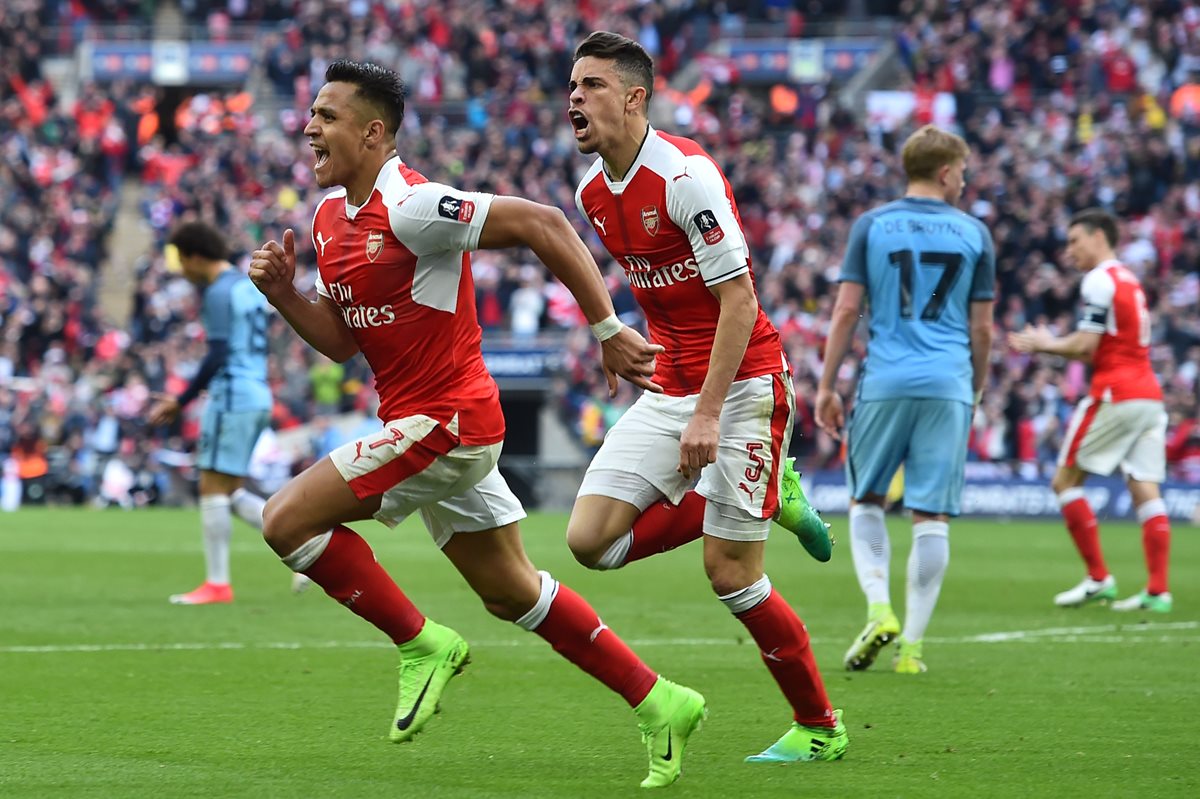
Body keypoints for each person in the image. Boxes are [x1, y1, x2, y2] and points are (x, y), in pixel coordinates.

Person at [248, 59, 705, 789]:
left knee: (284, 521)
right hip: (424, 426)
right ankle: (660, 699)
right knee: (512, 591)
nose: (308, 127)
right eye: (310, 113)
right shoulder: (330, 218)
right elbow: (341, 339)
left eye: (326, 116)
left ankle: (422, 645)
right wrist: (283, 295)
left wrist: (606, 327)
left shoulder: (414, 205)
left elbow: (542, 222)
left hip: (448, 421)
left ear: (373, 132)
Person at [563, 31, 845, 764]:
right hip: (669, 382)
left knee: (730, 572)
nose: (574, 99)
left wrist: (712, 413)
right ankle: (758, 499)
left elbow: (741, 303)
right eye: (571, 87)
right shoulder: (590, 190)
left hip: (745, 382)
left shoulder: (686, 176)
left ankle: (820, 725)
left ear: (634, 97)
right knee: (589, 541)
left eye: (591, 85)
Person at [815, 125, 996, 674]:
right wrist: (977, 384)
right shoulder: (975, 233)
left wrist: (826, 385)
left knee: (867, 500)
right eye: (962, 171)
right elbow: (982, 328)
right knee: (931, 515)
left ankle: (878, 609)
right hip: (948, 383)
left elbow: (847, 311)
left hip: (886, 380)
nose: (964, 180)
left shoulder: (871, 226)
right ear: (945, 173)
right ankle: (912, 650)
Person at [1009, 208, 1172, 613]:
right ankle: (1157, 590)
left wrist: (1044, 343)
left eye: (1074, 241)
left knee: (1064, 481)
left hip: (1115, 393)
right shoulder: (1129, 279)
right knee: (1144, 488)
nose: (1069, 251)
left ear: (1099, 236)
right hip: (1149, 395)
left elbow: (1087, 346)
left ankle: (1098, 578)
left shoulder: (1098, 279)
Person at [148, 221, 283, 605]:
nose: (181, 270)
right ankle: (311, 539)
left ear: (194, 255)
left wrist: (181, 399)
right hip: (256, 392)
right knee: (231, 490)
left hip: (232, 395)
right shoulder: (245, 287)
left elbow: (219, 353)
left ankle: (218, 584)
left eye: (181, 260)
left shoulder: (218, 292)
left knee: (211, 487)